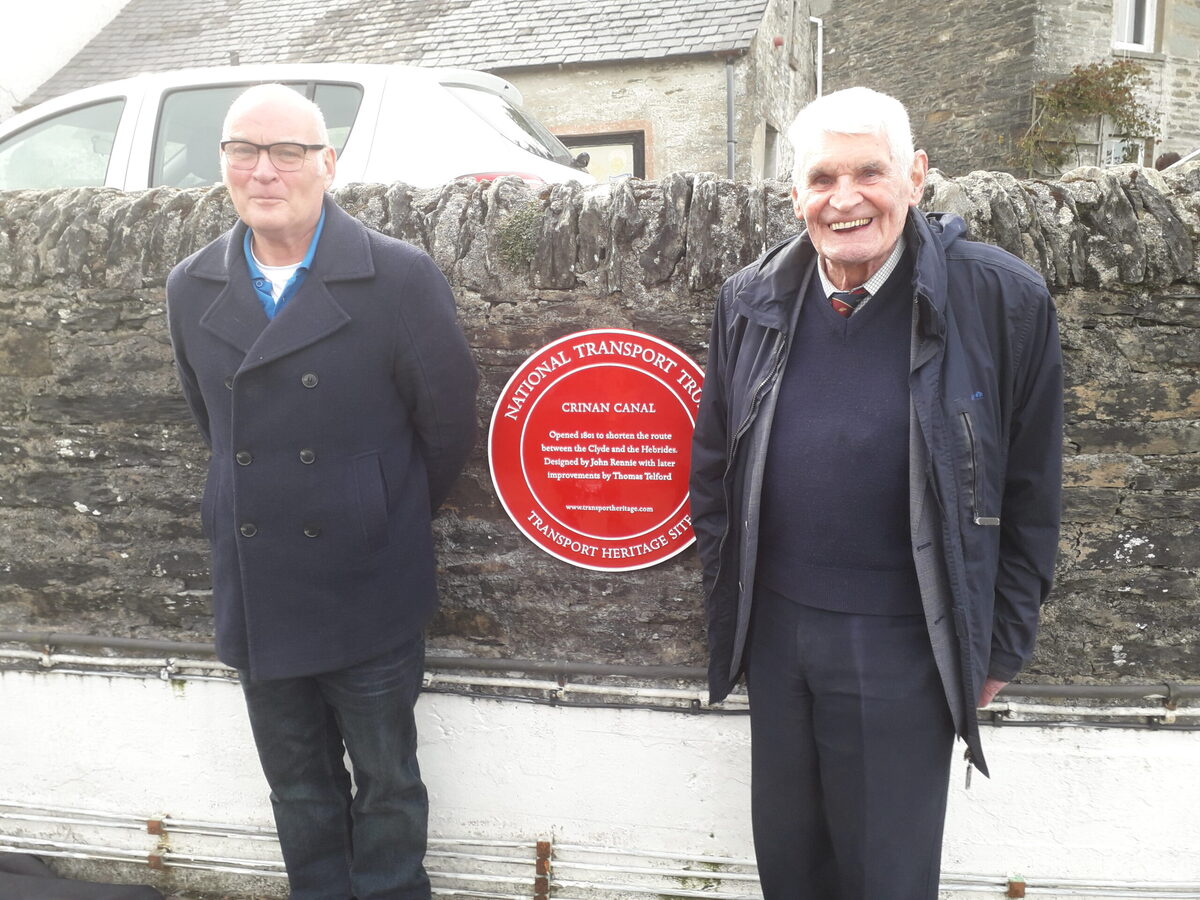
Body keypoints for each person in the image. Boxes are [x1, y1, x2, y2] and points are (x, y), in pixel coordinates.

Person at [689, 87, 1062, 899]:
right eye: (821, 178)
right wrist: (736, 615)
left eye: (870, 172)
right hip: (780, 637)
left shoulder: (1001, 299)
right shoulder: (749, 299)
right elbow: (714, 467)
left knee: (885, 877)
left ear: (917, 176)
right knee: (792, 867)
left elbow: (1031, 492)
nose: (845, 199)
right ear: (795, 194)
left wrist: (998, 648)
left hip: (906, 642)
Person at [166, 84, 478, 900]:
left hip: (367, 581)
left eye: (288, 152)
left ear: (328, 165)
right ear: (224, 162)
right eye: (243, 150)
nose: (263, 170)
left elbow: (444, 429)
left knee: (387, 782)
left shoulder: (399, 278)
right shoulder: (190, 287)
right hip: (259, 583)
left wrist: (371, 504)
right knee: (297, 787)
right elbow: (217, 425)